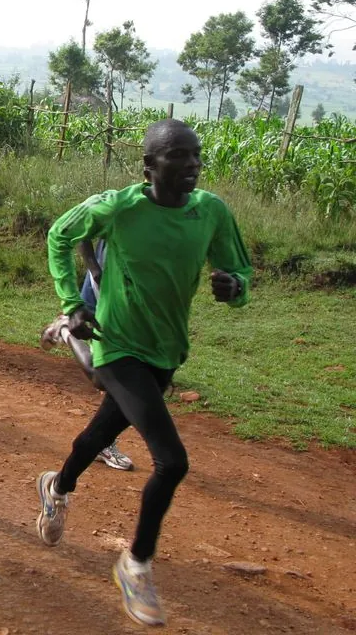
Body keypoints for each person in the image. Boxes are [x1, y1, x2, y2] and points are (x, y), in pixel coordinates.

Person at [35, 119, 252, 628]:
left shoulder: (212, 212)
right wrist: (73, 305)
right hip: (119, 346)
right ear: (149, 166)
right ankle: (135, 565)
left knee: (100, 433)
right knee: (172, 461)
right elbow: (60, 235)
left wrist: (234, 288)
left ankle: (57, 486)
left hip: (165, 352)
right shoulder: (120, 206)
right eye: (177, 155)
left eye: (196, 154)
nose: (192, 164)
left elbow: (240, 273)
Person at [40, 239, 135, 472]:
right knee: (108, 374)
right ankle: (65, 328)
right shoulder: (114, 201)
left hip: (136, 290)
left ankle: (104, 441)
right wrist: (95, 271)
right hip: (107, 286)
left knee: (125, 374)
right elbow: (78, 233)